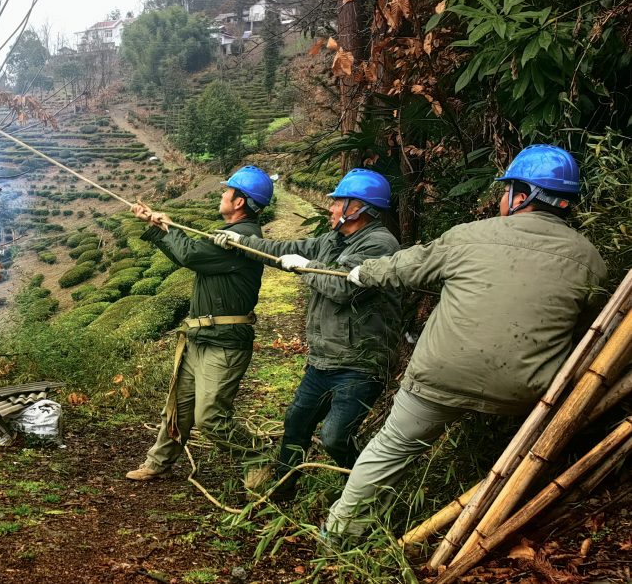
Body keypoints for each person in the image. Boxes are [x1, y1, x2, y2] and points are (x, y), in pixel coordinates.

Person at [324, 144, 607, 539]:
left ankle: (340, 533)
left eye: (506, 190)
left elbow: (406, 268)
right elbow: (587, 329)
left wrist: (361, 273)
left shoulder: (470, 236)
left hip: (442, 375)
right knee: (526, 451)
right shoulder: (590, 258)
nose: (502, 198)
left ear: (522, 195)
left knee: (390, 448)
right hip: (527, 393)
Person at [211, 168, 402, 496]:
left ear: (358, 208)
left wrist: (302, 266)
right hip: (324, 359)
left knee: (335, 437)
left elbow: (342, 287)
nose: (330, 208)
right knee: (296, 422)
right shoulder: (334, 238)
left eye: (338, 203)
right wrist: (241, 242)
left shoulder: (379, 245)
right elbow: (288, 247)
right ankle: (284, 489)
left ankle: (368, 495)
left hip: (359, 362)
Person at [125, 165, 274, 481]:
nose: (222, 194)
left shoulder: (241, 240)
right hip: (201, 336)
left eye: (227, 191)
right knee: (178, 406)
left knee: (211, 418)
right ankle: (158, 461)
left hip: (224, 343)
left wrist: (163, 229)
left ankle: (259, 453)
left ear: (240, 202)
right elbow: (193, 252)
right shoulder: (230, 237)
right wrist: (160, 226)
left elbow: (190, 254)